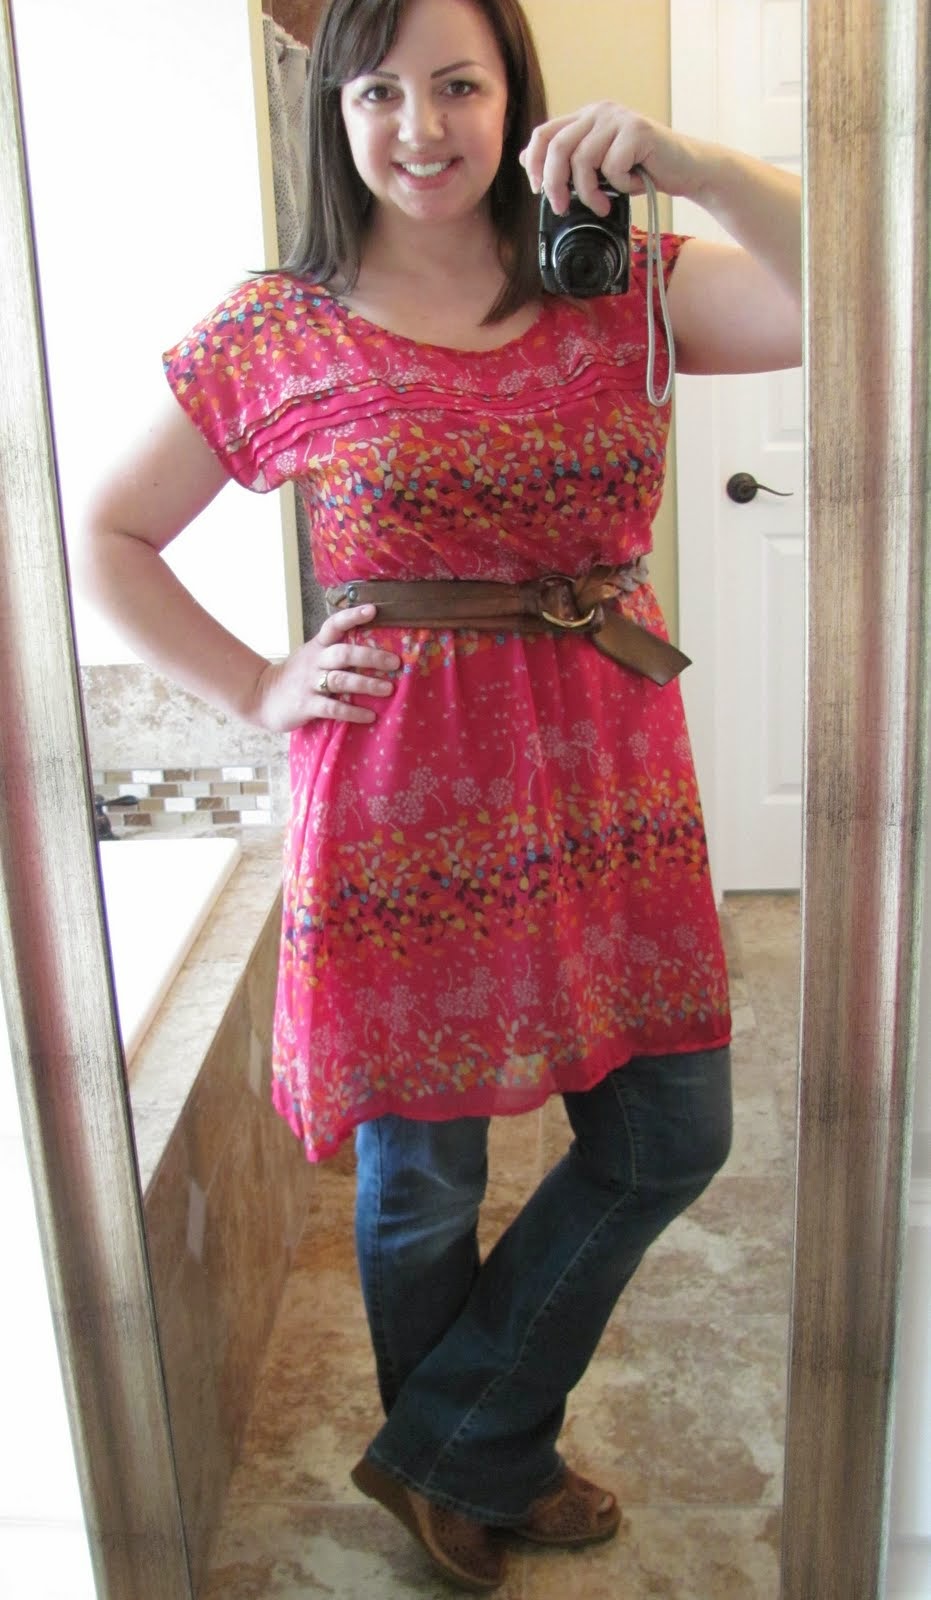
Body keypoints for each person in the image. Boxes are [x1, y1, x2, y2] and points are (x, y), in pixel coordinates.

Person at [79, 0, 802, 1588]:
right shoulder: (281, 324)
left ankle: (451, 1447)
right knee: (425, 1185)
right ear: (334, 114)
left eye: (458, 84)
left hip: (608, 775)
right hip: (403, 799)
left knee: (668, 1133)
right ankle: (481, 1468)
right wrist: (256, 687)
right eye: (380, 92)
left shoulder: (617, 283)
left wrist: (693, 163)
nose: (420, 126)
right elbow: (107, 536)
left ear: (515, 97)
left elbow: (863, 293)